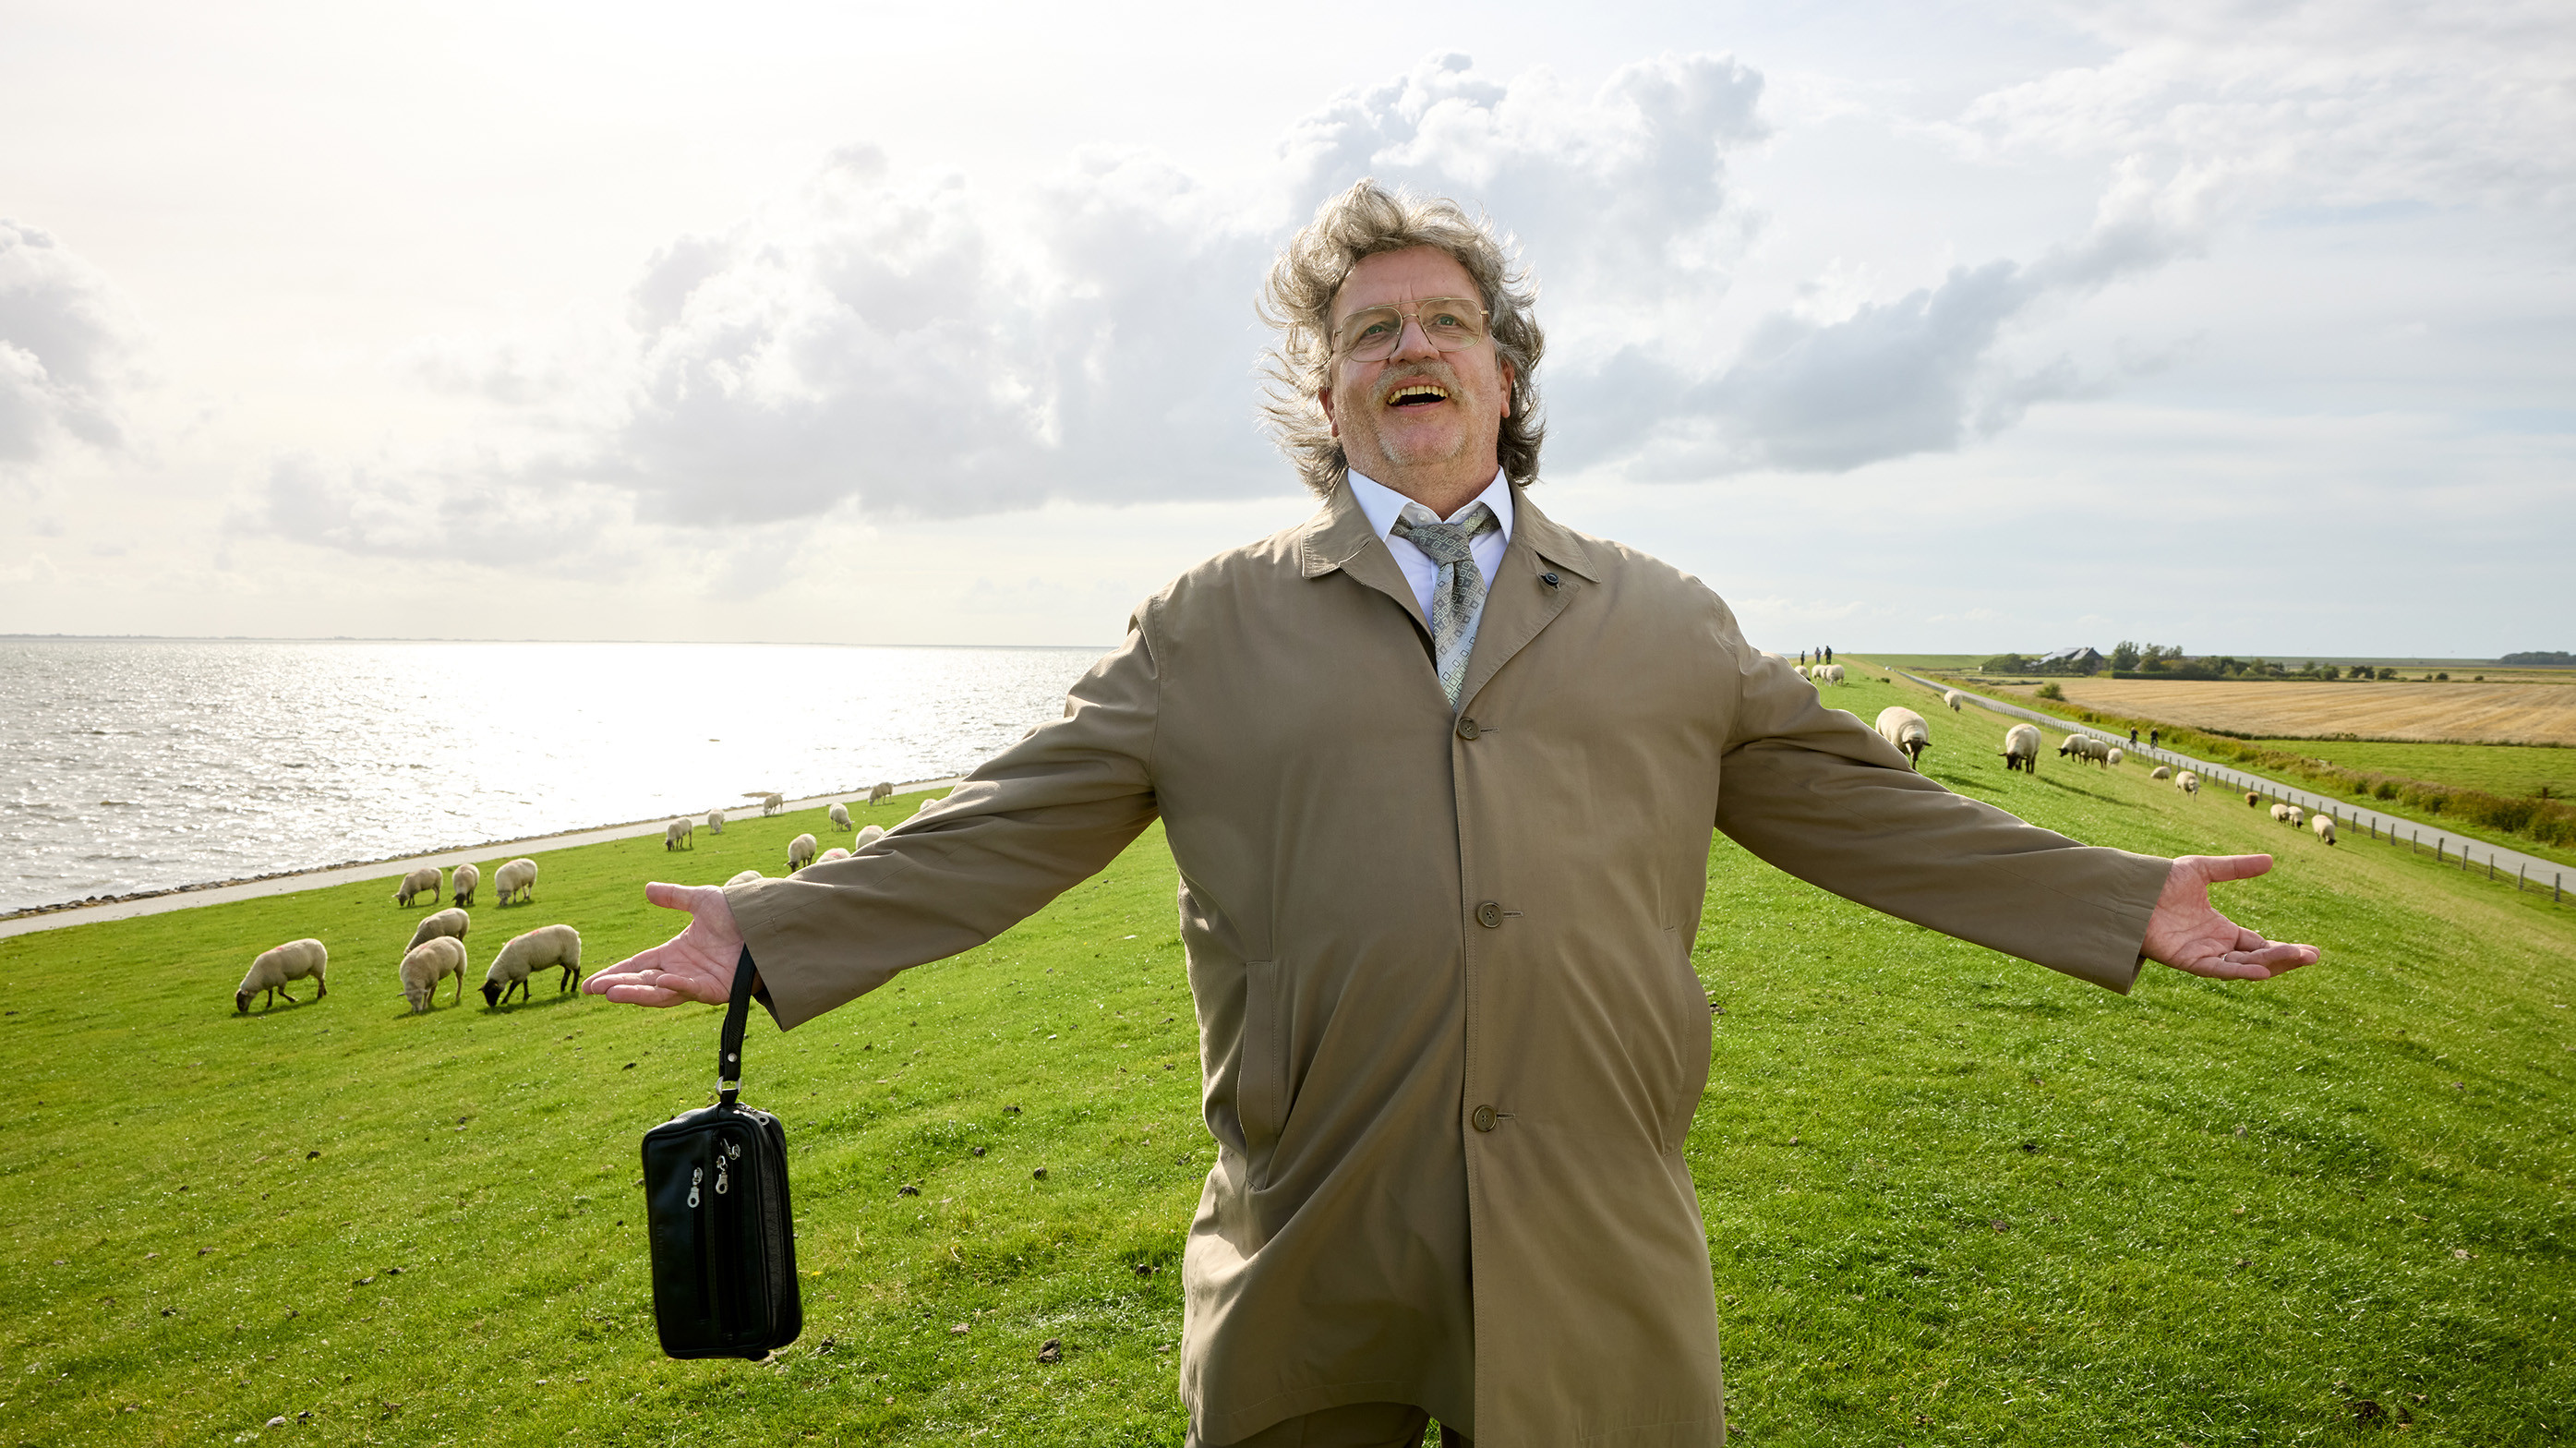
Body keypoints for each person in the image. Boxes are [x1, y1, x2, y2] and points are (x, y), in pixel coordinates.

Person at [582, 180, 2318, 1448]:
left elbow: (1862, 807)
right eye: (1369, 333)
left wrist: (2116, 894)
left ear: (1504, 382)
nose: (1410, 348)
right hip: (1310, 1213)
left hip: (1596, 1202)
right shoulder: (1208, 622)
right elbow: (1014, 817)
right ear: (1326, 399)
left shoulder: (1663, 616)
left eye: (1447, 325)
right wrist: (776, 926)